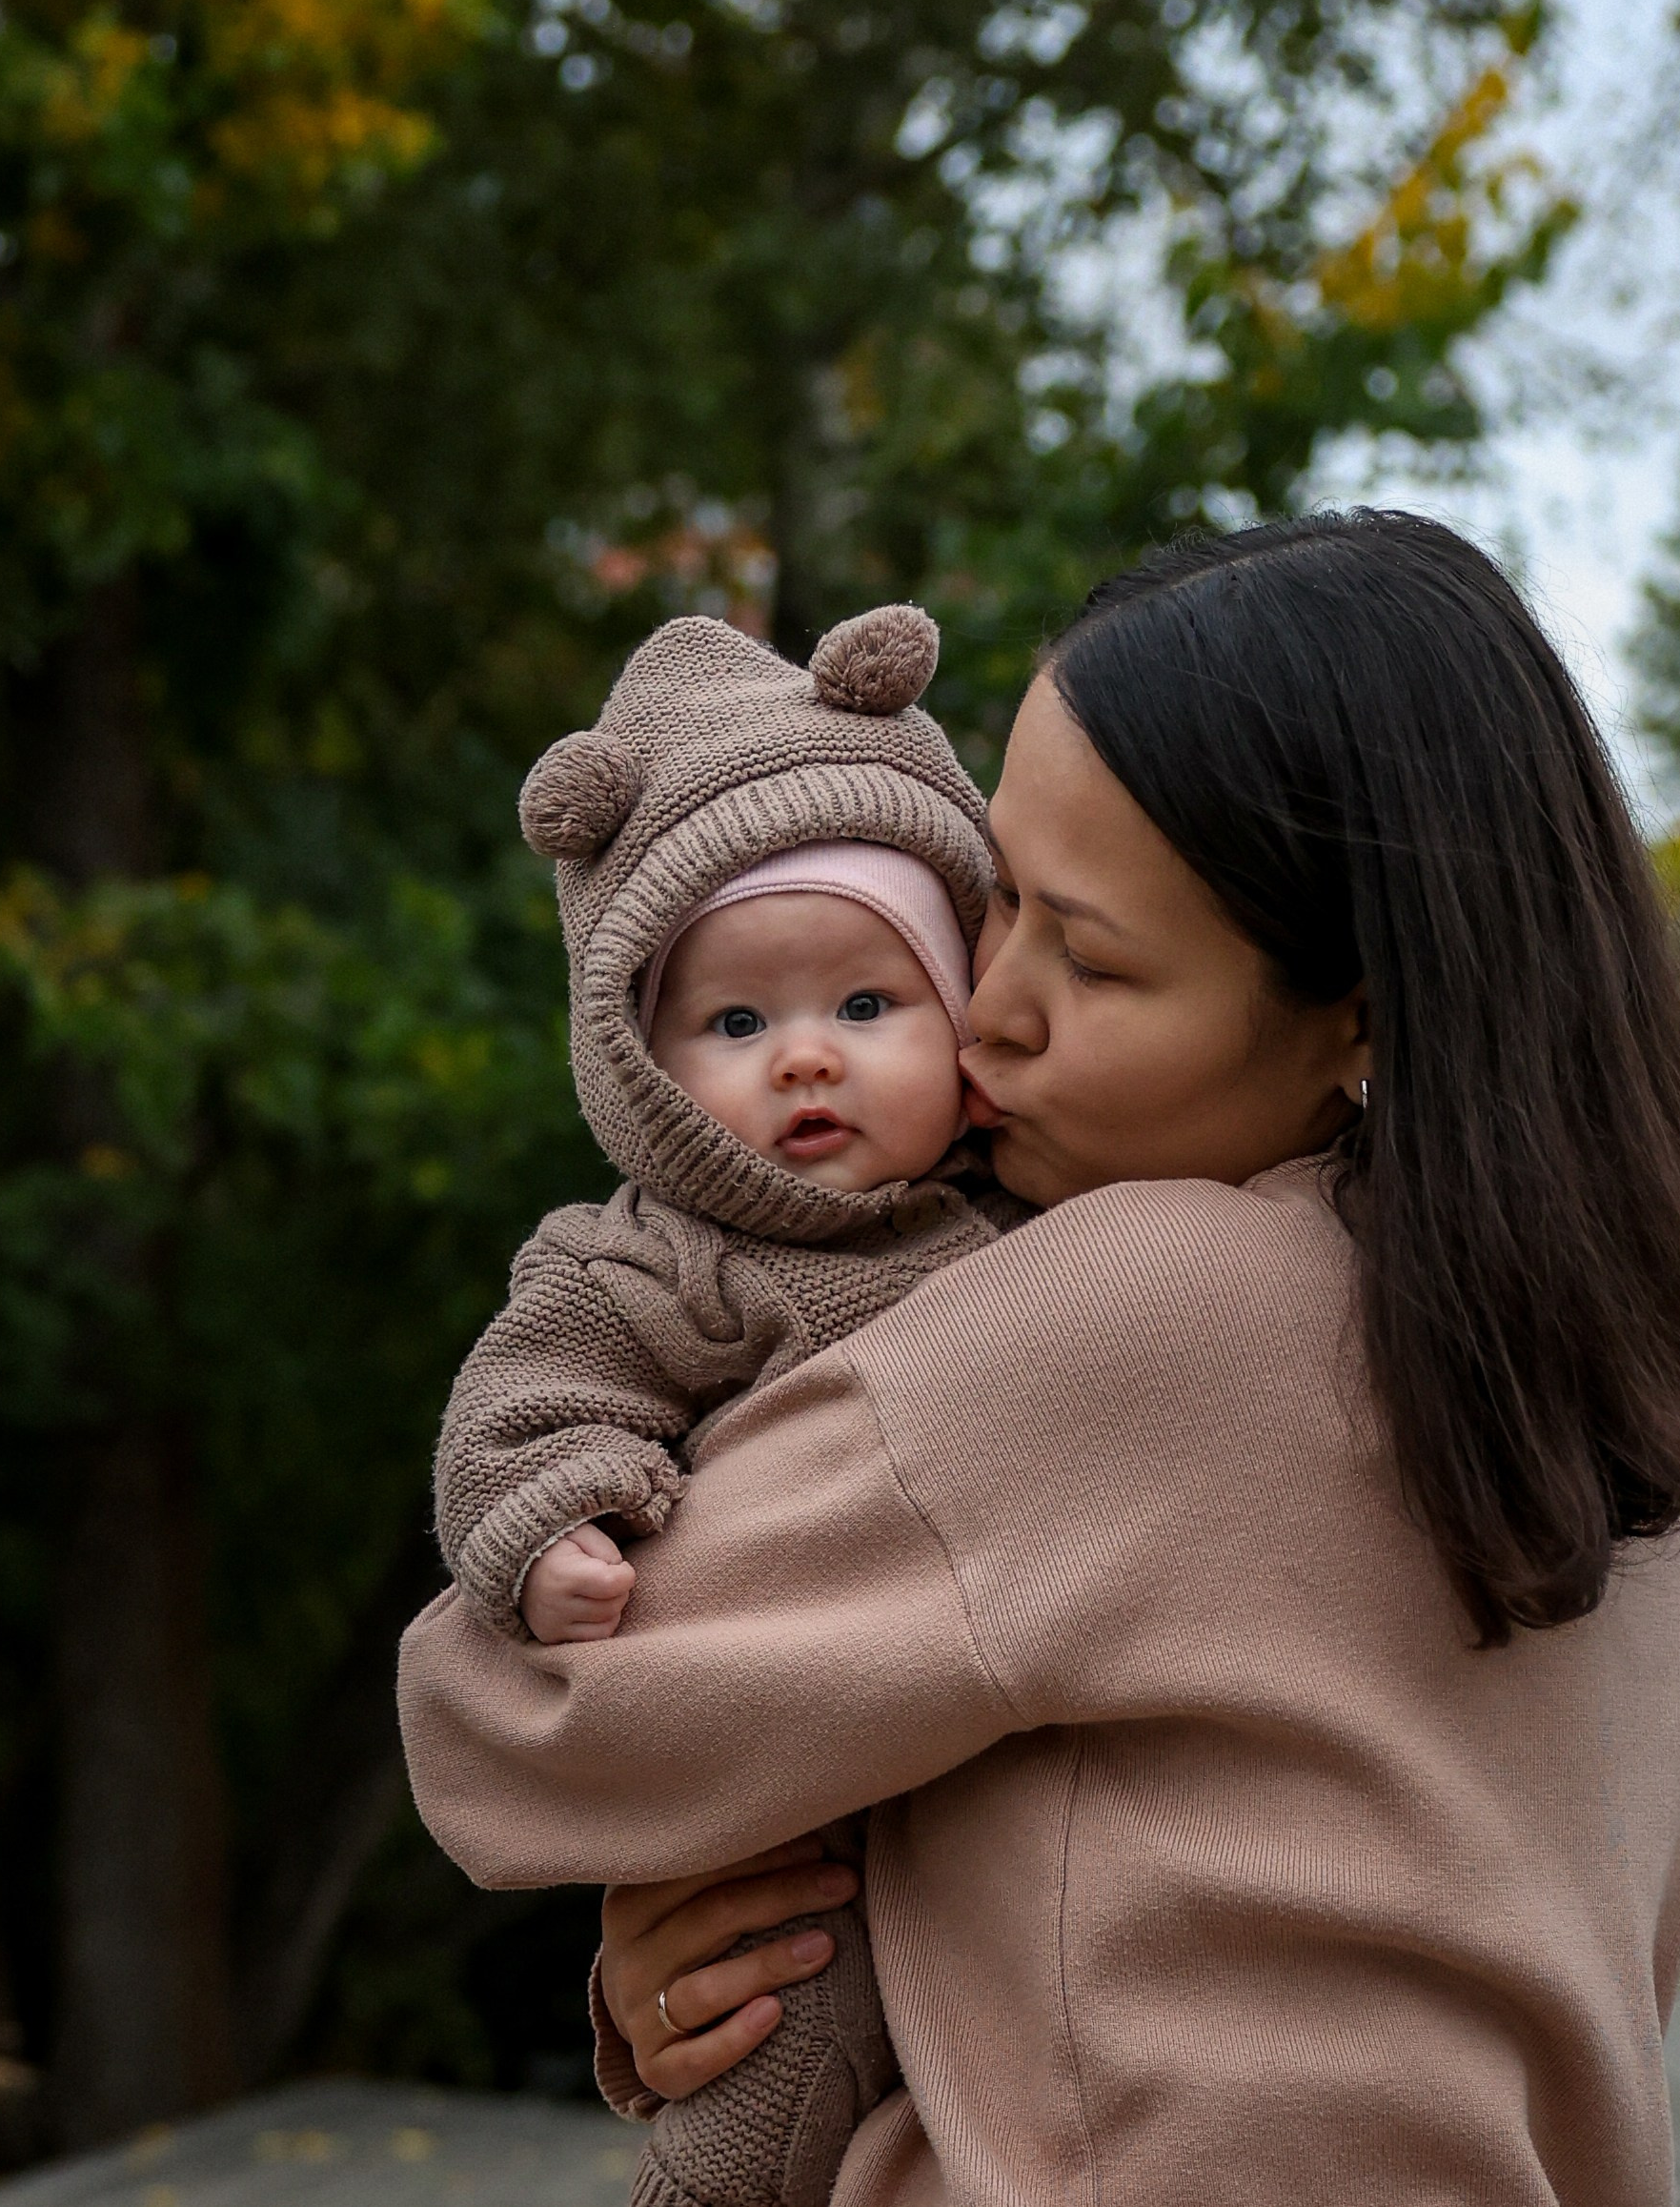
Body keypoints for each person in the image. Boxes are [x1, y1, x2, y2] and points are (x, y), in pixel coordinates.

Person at [400, 511, 1680, 2206]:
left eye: (1086, 953)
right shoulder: (1621, 1376)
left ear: (1362, 1011)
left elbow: (509, 1722)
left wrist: (714, 1934)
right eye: (996, 894)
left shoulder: (1148, 1312)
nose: (985, 1005)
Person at [432, 596, 1008, 2207]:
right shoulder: (651, 1255)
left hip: (995, 1789)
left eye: (868, 1005)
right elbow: (524, 1394)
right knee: (764, 2046)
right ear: (640, 1061)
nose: (806, 1059)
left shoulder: (1043, 1211)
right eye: (737, 1023)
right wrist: (554, 1517)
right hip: (789, 1817)